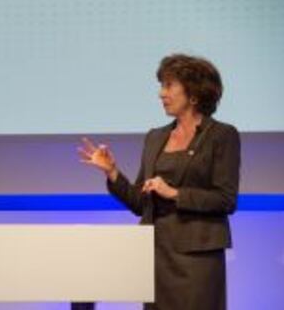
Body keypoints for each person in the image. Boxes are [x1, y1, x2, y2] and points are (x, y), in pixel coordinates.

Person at [78, 54, 240, 310]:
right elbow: (141, 203)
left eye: (168, 85)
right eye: (161, 86)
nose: (161, 94)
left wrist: (174, 193)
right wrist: (112, 173)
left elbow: (225, 199)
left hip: (196, 258)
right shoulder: (156, 137)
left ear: (194, 93)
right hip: (155, 255)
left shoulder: (221, 135)